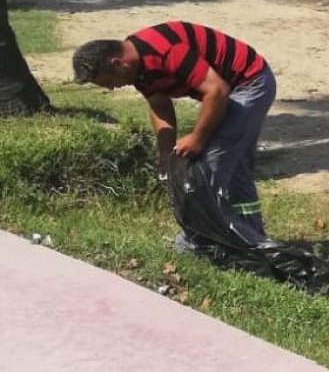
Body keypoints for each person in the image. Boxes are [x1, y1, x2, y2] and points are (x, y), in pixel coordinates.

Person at [71, 21, 276, 253]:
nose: (111, 88)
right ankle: (252, 240)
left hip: (250, 83)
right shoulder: (137, 68)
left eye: (109, 82)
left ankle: (197, 241)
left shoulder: (165, 51)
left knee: (207, 167)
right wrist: (165, 153)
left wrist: (197, 138)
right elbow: (160, 105)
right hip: (230, 89)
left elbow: (217, 91)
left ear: (118, 64)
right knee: (236, 167)